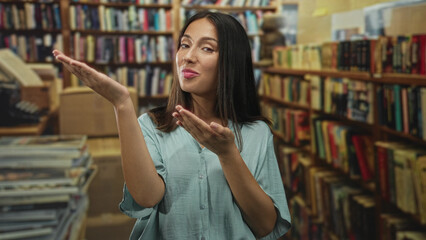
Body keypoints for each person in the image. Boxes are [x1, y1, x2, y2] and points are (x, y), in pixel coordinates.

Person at [53, 10, 291, 240]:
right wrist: (122, 104)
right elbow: (147, 196)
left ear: (232, 62)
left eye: (207, 48)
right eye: (185, 45)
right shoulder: (152, 126)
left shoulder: (257, 133)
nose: (188, 56)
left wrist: (228, 154)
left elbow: (265, 225)